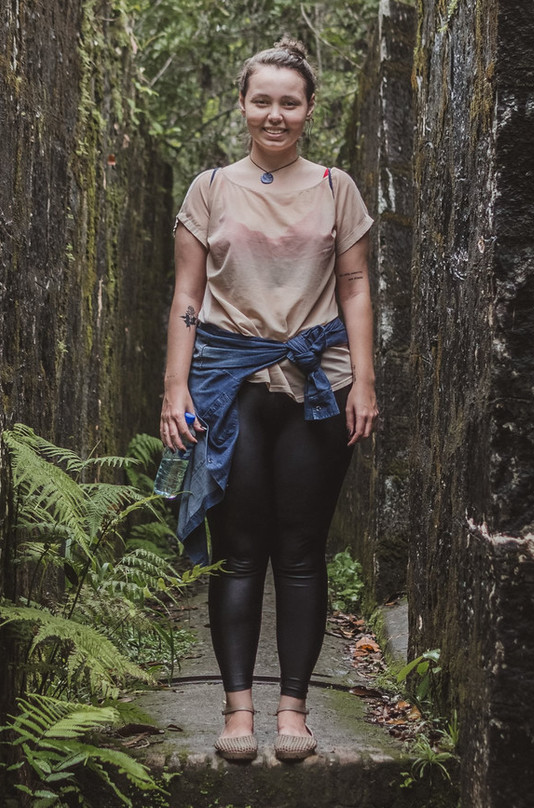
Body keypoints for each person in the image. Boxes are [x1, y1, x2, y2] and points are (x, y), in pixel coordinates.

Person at [158, 37, 377, 762]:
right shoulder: (211, 188)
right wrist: (174, 388)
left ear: (309, 110)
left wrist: (366, 381)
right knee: (240, 550)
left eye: (289, 102)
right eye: (263, 101)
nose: (274, 114)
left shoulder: (337, 188)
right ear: (244, 106)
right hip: (230, 382)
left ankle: (294, 711)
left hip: (320, 382)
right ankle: (237, 711)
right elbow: (189, 294)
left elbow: (353, 286)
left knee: (303, 552)